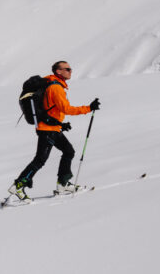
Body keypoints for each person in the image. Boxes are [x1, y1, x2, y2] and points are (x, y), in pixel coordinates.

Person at [9, 60, 100, 199]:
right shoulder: (55, 87)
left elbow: (50, 108)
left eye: (70, 68)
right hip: (47, 129)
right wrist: (89, 108)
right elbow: (66, 109)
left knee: (68, 151)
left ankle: (62, 184)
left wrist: (60, 124)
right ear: (58, 71)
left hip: (51, 127)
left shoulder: (52, 84)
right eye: (67, 69)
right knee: (40, 159)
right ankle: (18, 186)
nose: (70, 71)